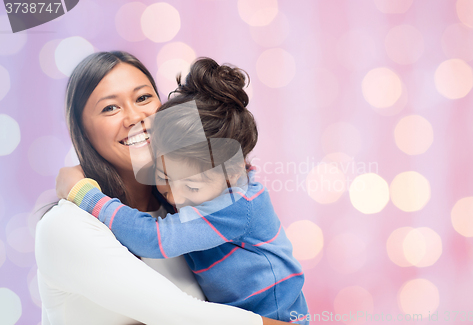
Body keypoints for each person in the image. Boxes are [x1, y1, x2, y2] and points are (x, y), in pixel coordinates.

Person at [35, 51, 292, 325]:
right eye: (110, 107)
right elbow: (182, 317)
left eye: (143, 98)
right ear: (82, 131)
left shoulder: (187, 208)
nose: (135, 117)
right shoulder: (66, 226)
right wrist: (83, 195)